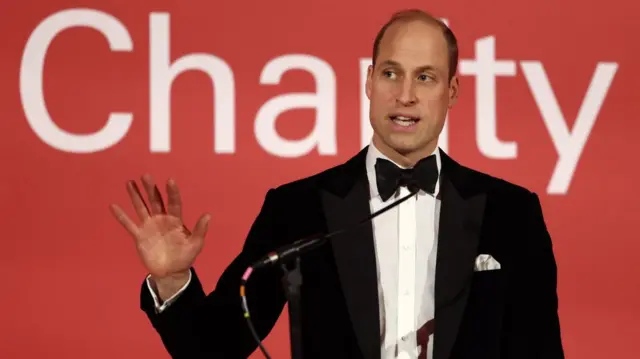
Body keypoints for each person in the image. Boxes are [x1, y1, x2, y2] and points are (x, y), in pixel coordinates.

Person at [110, 9, 564, 359]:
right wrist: (171, 279)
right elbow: (214, 346)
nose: (405, 94)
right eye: (390, 73)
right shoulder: (298, 208)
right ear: (369, 81)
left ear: (452, 91)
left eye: (425, 77)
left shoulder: (512, 213)